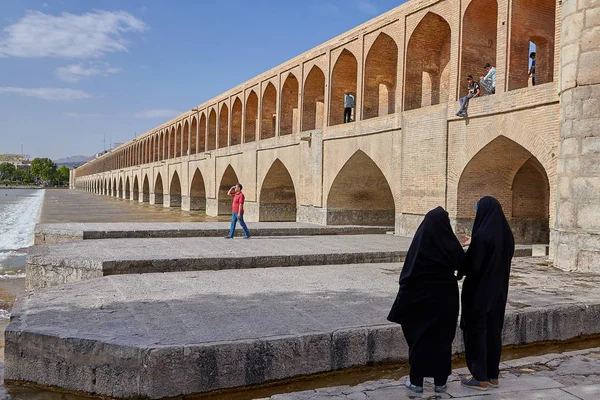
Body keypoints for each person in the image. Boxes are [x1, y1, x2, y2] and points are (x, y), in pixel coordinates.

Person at [388, 207, 466, 394]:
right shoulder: (449, 242)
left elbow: (407, 274)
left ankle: (417, 382)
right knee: (442, 338)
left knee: (419, 338)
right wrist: (456, 275)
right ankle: (440, 383)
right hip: (445, 296)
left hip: (419, 297)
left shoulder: (420, 242)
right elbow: (463, 264)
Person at [460, 196, 515, 391]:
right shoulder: (507, 235)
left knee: (476, 332)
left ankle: (479, 377)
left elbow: (472, 266)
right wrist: (475, 243)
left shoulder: (482, 237)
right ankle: (493, 375)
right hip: (499, 292)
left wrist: (462, 258)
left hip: (479, 292)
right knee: (493, 332)